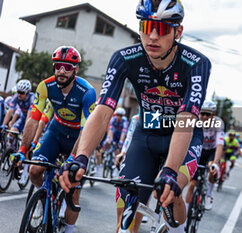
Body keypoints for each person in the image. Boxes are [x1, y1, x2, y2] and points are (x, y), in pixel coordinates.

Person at [59, 1, 211, 232]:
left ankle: (175, 205)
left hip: (183, 135)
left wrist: (170, 170)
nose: (151, 36)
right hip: (145, 135)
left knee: (172, 196)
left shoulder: (197, 63)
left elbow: (186, 118)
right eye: (146, 26)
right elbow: (102, 112)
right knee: (126, 215)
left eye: (161, 29)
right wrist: (81, 157)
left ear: (177, 32)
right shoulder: (125, 58)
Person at [13, 46, 96, 233]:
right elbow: (33, 120)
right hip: (56, 132)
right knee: (34, 170)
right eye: (58, 66)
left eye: (68, 67)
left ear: (76, 69)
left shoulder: (87, 92)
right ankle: (45, 196)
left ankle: (68, 228)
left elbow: (86, 131)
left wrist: (72, 159)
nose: (62, 70)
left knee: (73, 193)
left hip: (77, 137)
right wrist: (22, 150)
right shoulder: (45, 86)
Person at [185, 100, 224, 211]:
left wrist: (215, 162)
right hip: (199, 150)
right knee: (192, 184)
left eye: (208, 114)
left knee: (212, 169)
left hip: (212, 150)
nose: (204, 117)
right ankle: (186, 209)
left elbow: (220, 144)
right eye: (202, 114)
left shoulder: (218, 123)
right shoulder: (195, 121)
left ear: (213, 115)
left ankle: (209, 194)